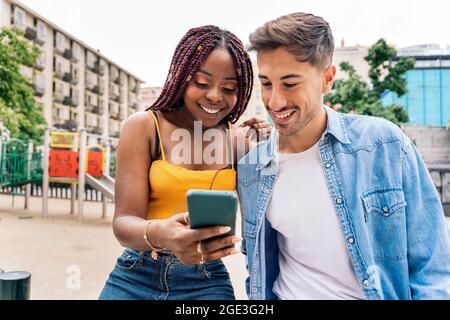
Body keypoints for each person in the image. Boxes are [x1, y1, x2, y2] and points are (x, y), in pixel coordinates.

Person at [237, 12, 450, 300]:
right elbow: (258, 268)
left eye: (290, 84)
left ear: (327, 79)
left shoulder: (385, 146)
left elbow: (432, 270)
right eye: (266, 83)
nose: (274, 101)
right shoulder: (252, 169)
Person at [99, 25, 270, 300]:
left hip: (205, 280)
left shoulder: (237, 141)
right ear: (181, 78)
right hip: (136, 272)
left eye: (229, 88)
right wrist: (162, 233)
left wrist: (268, 142)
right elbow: (123, 223)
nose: (215, 96)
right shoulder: (144, 127)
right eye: (202, 83)